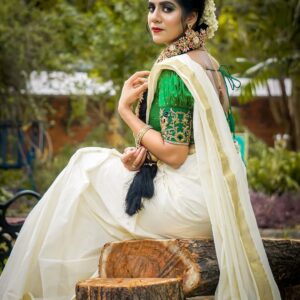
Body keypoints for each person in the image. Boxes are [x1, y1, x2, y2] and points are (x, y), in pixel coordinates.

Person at [0, 0, 281, 299]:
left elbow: (174, 154)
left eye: (167, 8)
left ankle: (33, 290)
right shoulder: (208, 63)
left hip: (189, 204)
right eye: (151, 7)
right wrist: (144, 154)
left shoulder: (176, 72)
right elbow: (193, 145)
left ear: (192, 18)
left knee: (84, 167)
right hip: (211, 199)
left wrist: (126, 111)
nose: (155, 17)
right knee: (94, 181)